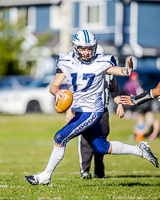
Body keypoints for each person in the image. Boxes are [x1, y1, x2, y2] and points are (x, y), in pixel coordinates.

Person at [25, 30, 159, 185]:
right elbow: (53, 86)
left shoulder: (101, 61)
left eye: (90, 48)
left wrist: (126, 70)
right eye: (83, 48)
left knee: (60, 137)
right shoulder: (66, 60)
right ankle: (140, 150)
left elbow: (118, 71)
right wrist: (57, 92)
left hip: (92, 111)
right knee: (102, 147)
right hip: (80, 110)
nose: (87, 52)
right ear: (75, 47)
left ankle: (45, 176)